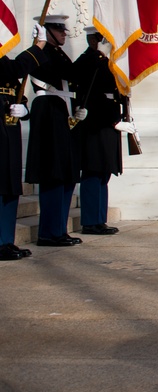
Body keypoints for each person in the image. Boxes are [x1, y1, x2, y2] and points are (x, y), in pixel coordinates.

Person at [24, 15, 85, 247]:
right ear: (46, 31)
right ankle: (49, 232)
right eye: (59, 30)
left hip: (63, 112)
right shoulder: (40, 53)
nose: (64, 34)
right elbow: (63, 73)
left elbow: (72, 78)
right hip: (49, 111)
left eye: (63, 30)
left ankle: (59, 229)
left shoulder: (58, 53)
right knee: (53, 174)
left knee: (67, 174)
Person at [73, 27, 131, 236]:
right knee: (92, 172)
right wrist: (114, 120)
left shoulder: (106, 62)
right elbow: (90, 95)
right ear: (93, 40)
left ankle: (99, 219)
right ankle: (90, 221)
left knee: (104, 172)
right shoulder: (89, 60)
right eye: (103, 39)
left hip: (107, 125)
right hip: (95, 125)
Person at [0, 22, 46, 261]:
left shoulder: (4, 65)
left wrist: (23, 110)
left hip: (10, 137)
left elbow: (19, 94)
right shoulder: (6, 65)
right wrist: (38, 46)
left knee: (9, 189)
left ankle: (6, 240)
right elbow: (19, 67)